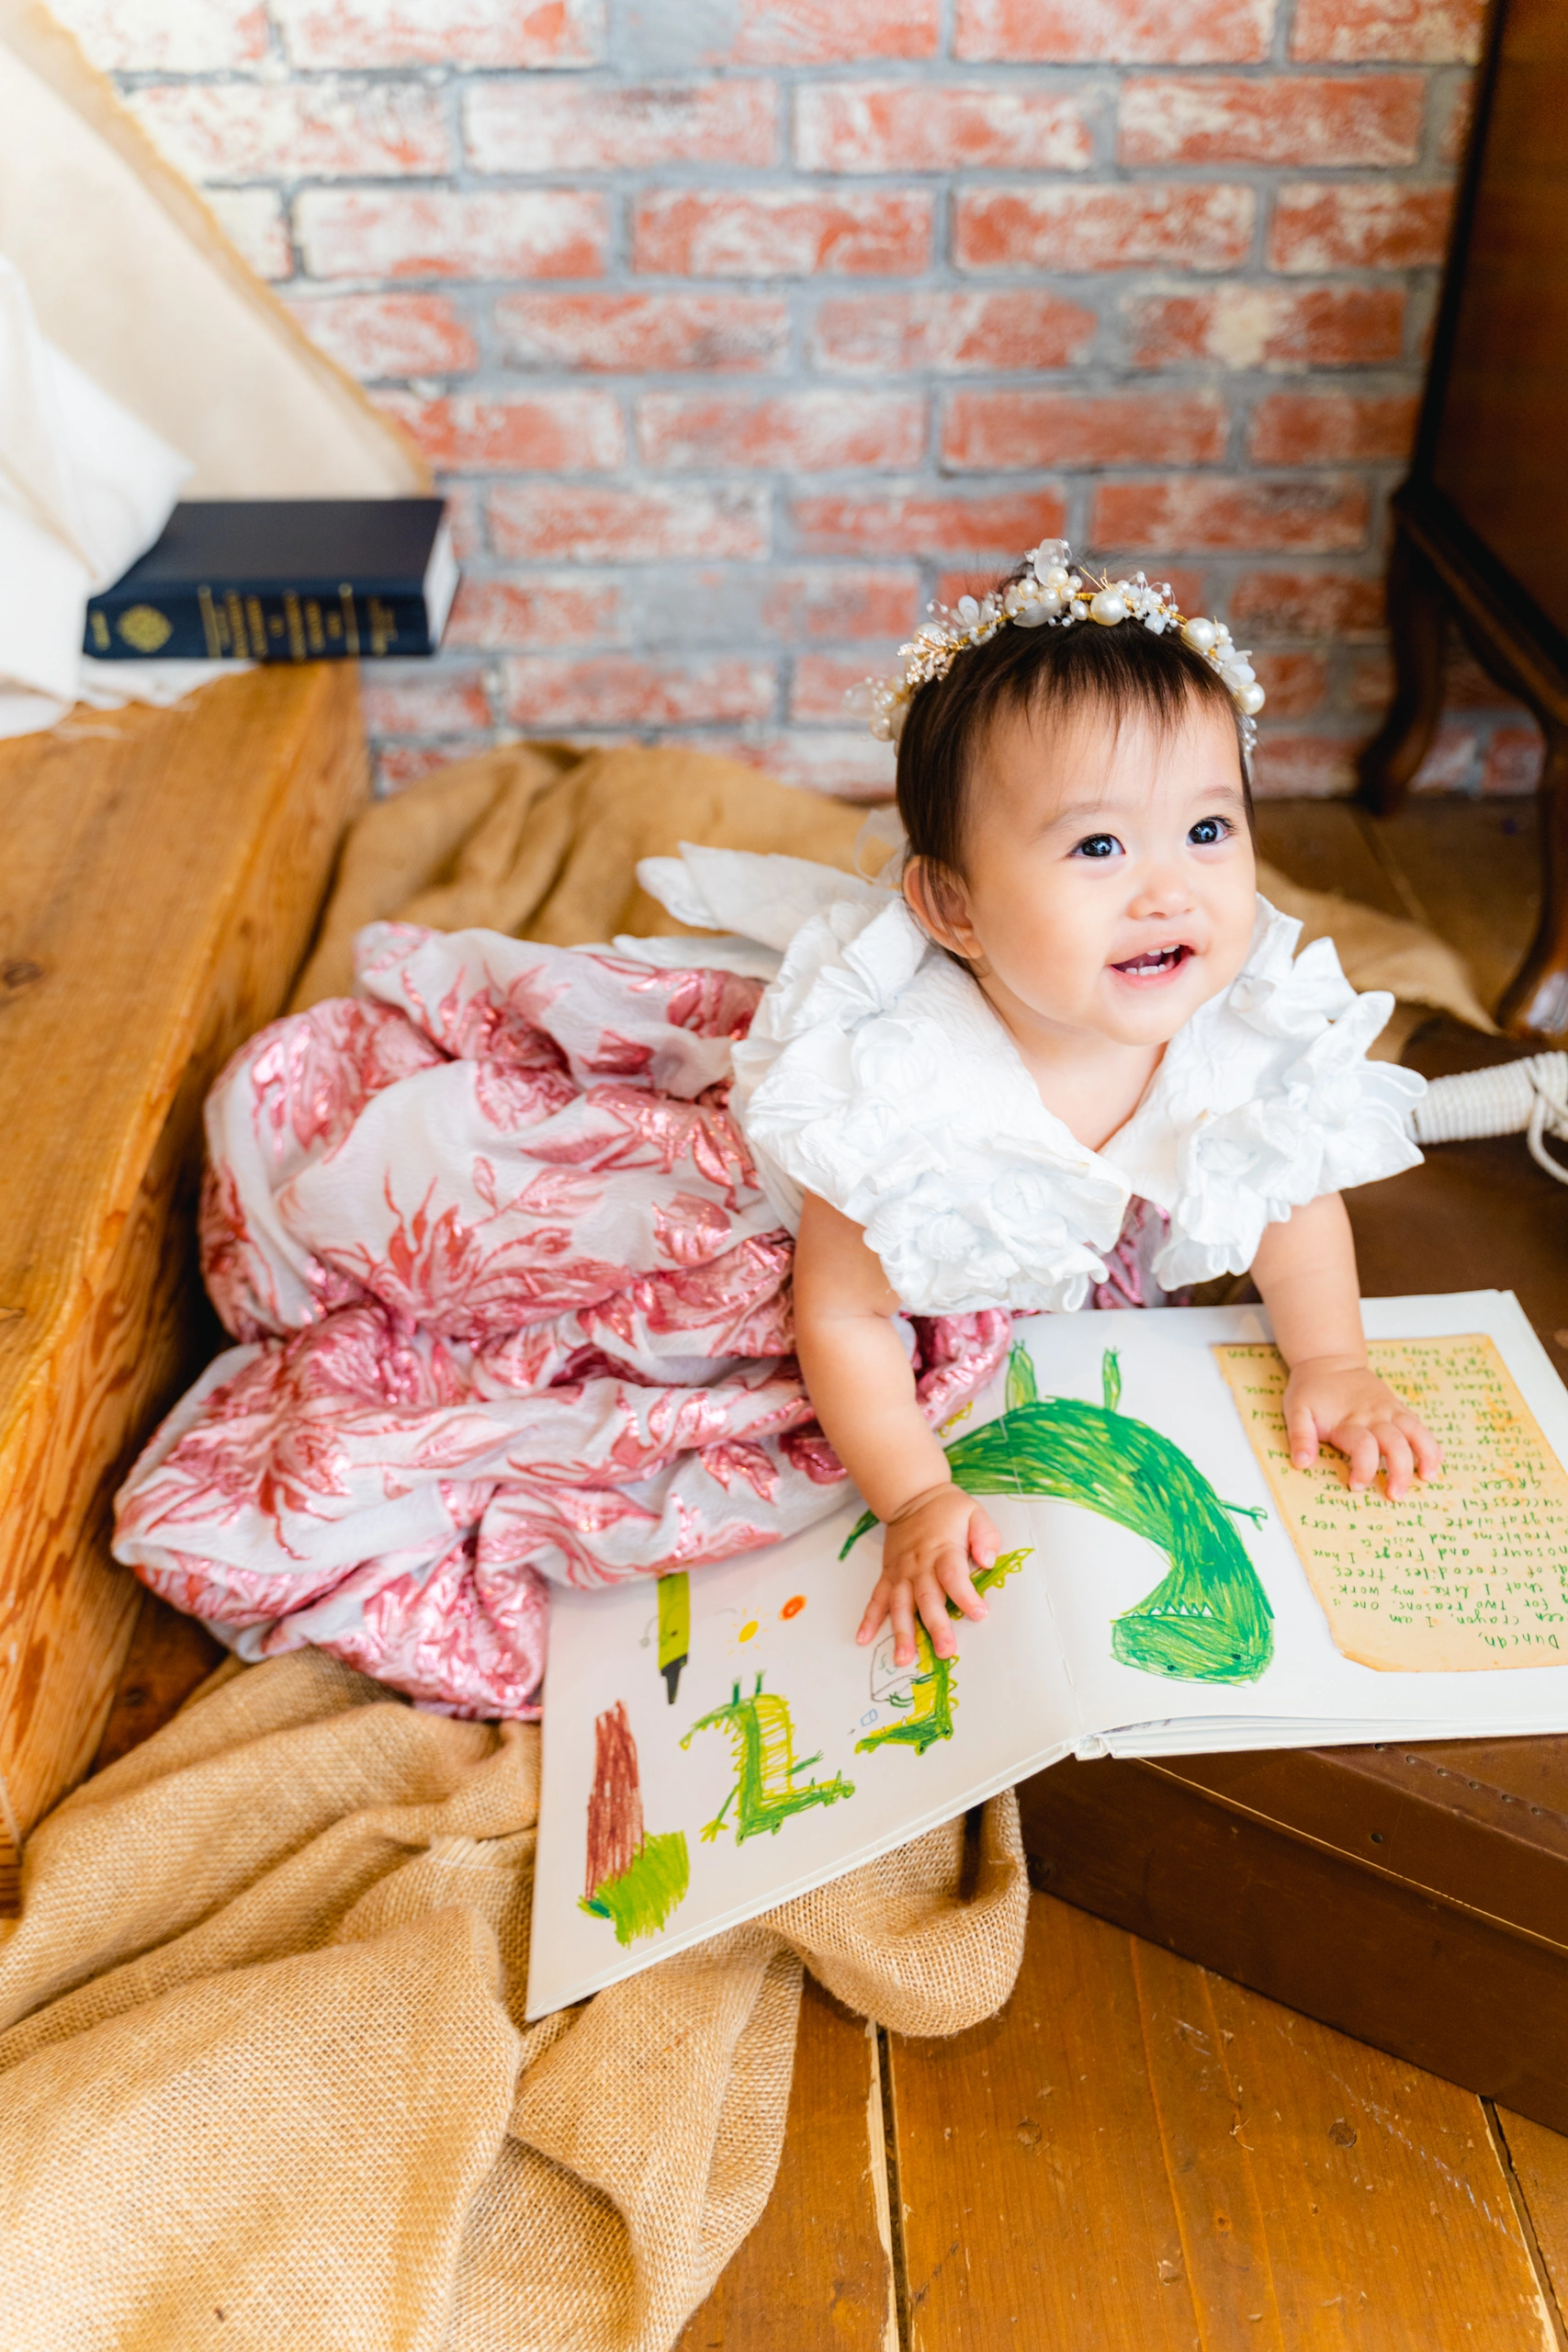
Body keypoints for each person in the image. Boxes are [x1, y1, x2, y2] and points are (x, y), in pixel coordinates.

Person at [112, 543, 1436, 1719]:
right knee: (611, 1353)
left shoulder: (1234, 1016)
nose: (1168, 889)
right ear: (954, 911)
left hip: (1000, 1239)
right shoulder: (899, 1089)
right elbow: (843, 1318)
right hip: (779, 1245)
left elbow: (1287, 1191)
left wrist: (1330, 1359)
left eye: (1206, 829)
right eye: (1097, 848)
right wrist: (916, 1495)